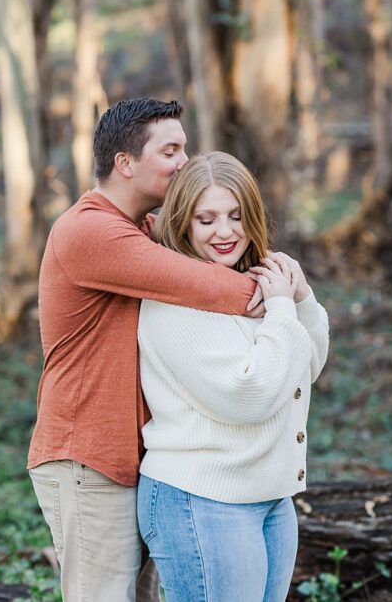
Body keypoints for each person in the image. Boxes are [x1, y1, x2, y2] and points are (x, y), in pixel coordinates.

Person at [27, 98, 272, 602]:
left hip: (133, 458)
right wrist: (278, 292)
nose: (185, 161)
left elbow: (215, 241)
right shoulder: (90, 231)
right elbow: (214, 285)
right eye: (172, 150)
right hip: (87, 457)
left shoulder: (138, 229)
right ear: (125, 163)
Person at [135, 152, 329, 602]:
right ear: (183, 223)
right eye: (207, 219)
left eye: (236, 216)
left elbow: (305, 369)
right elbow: (250, 394)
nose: (225, 231)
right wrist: (281, 310)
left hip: (270, 498)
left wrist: (300, 298)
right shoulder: (175, 298)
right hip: (203, 501)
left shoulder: (250, 283)